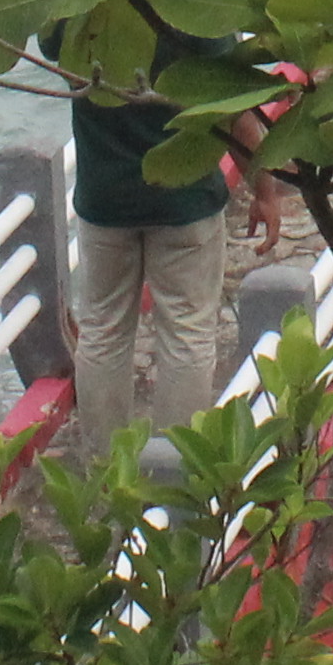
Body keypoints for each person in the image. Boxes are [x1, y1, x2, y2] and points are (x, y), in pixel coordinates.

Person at [63, 27, 240, 460]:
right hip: (185, 199)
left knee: (102, 330)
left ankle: (107, 472)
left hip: (105, 201)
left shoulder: (79, 13)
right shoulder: (186, 12)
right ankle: (178, 471)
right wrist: (266, 185)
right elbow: (236, 100)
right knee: (187, 333)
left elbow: (56, 51)